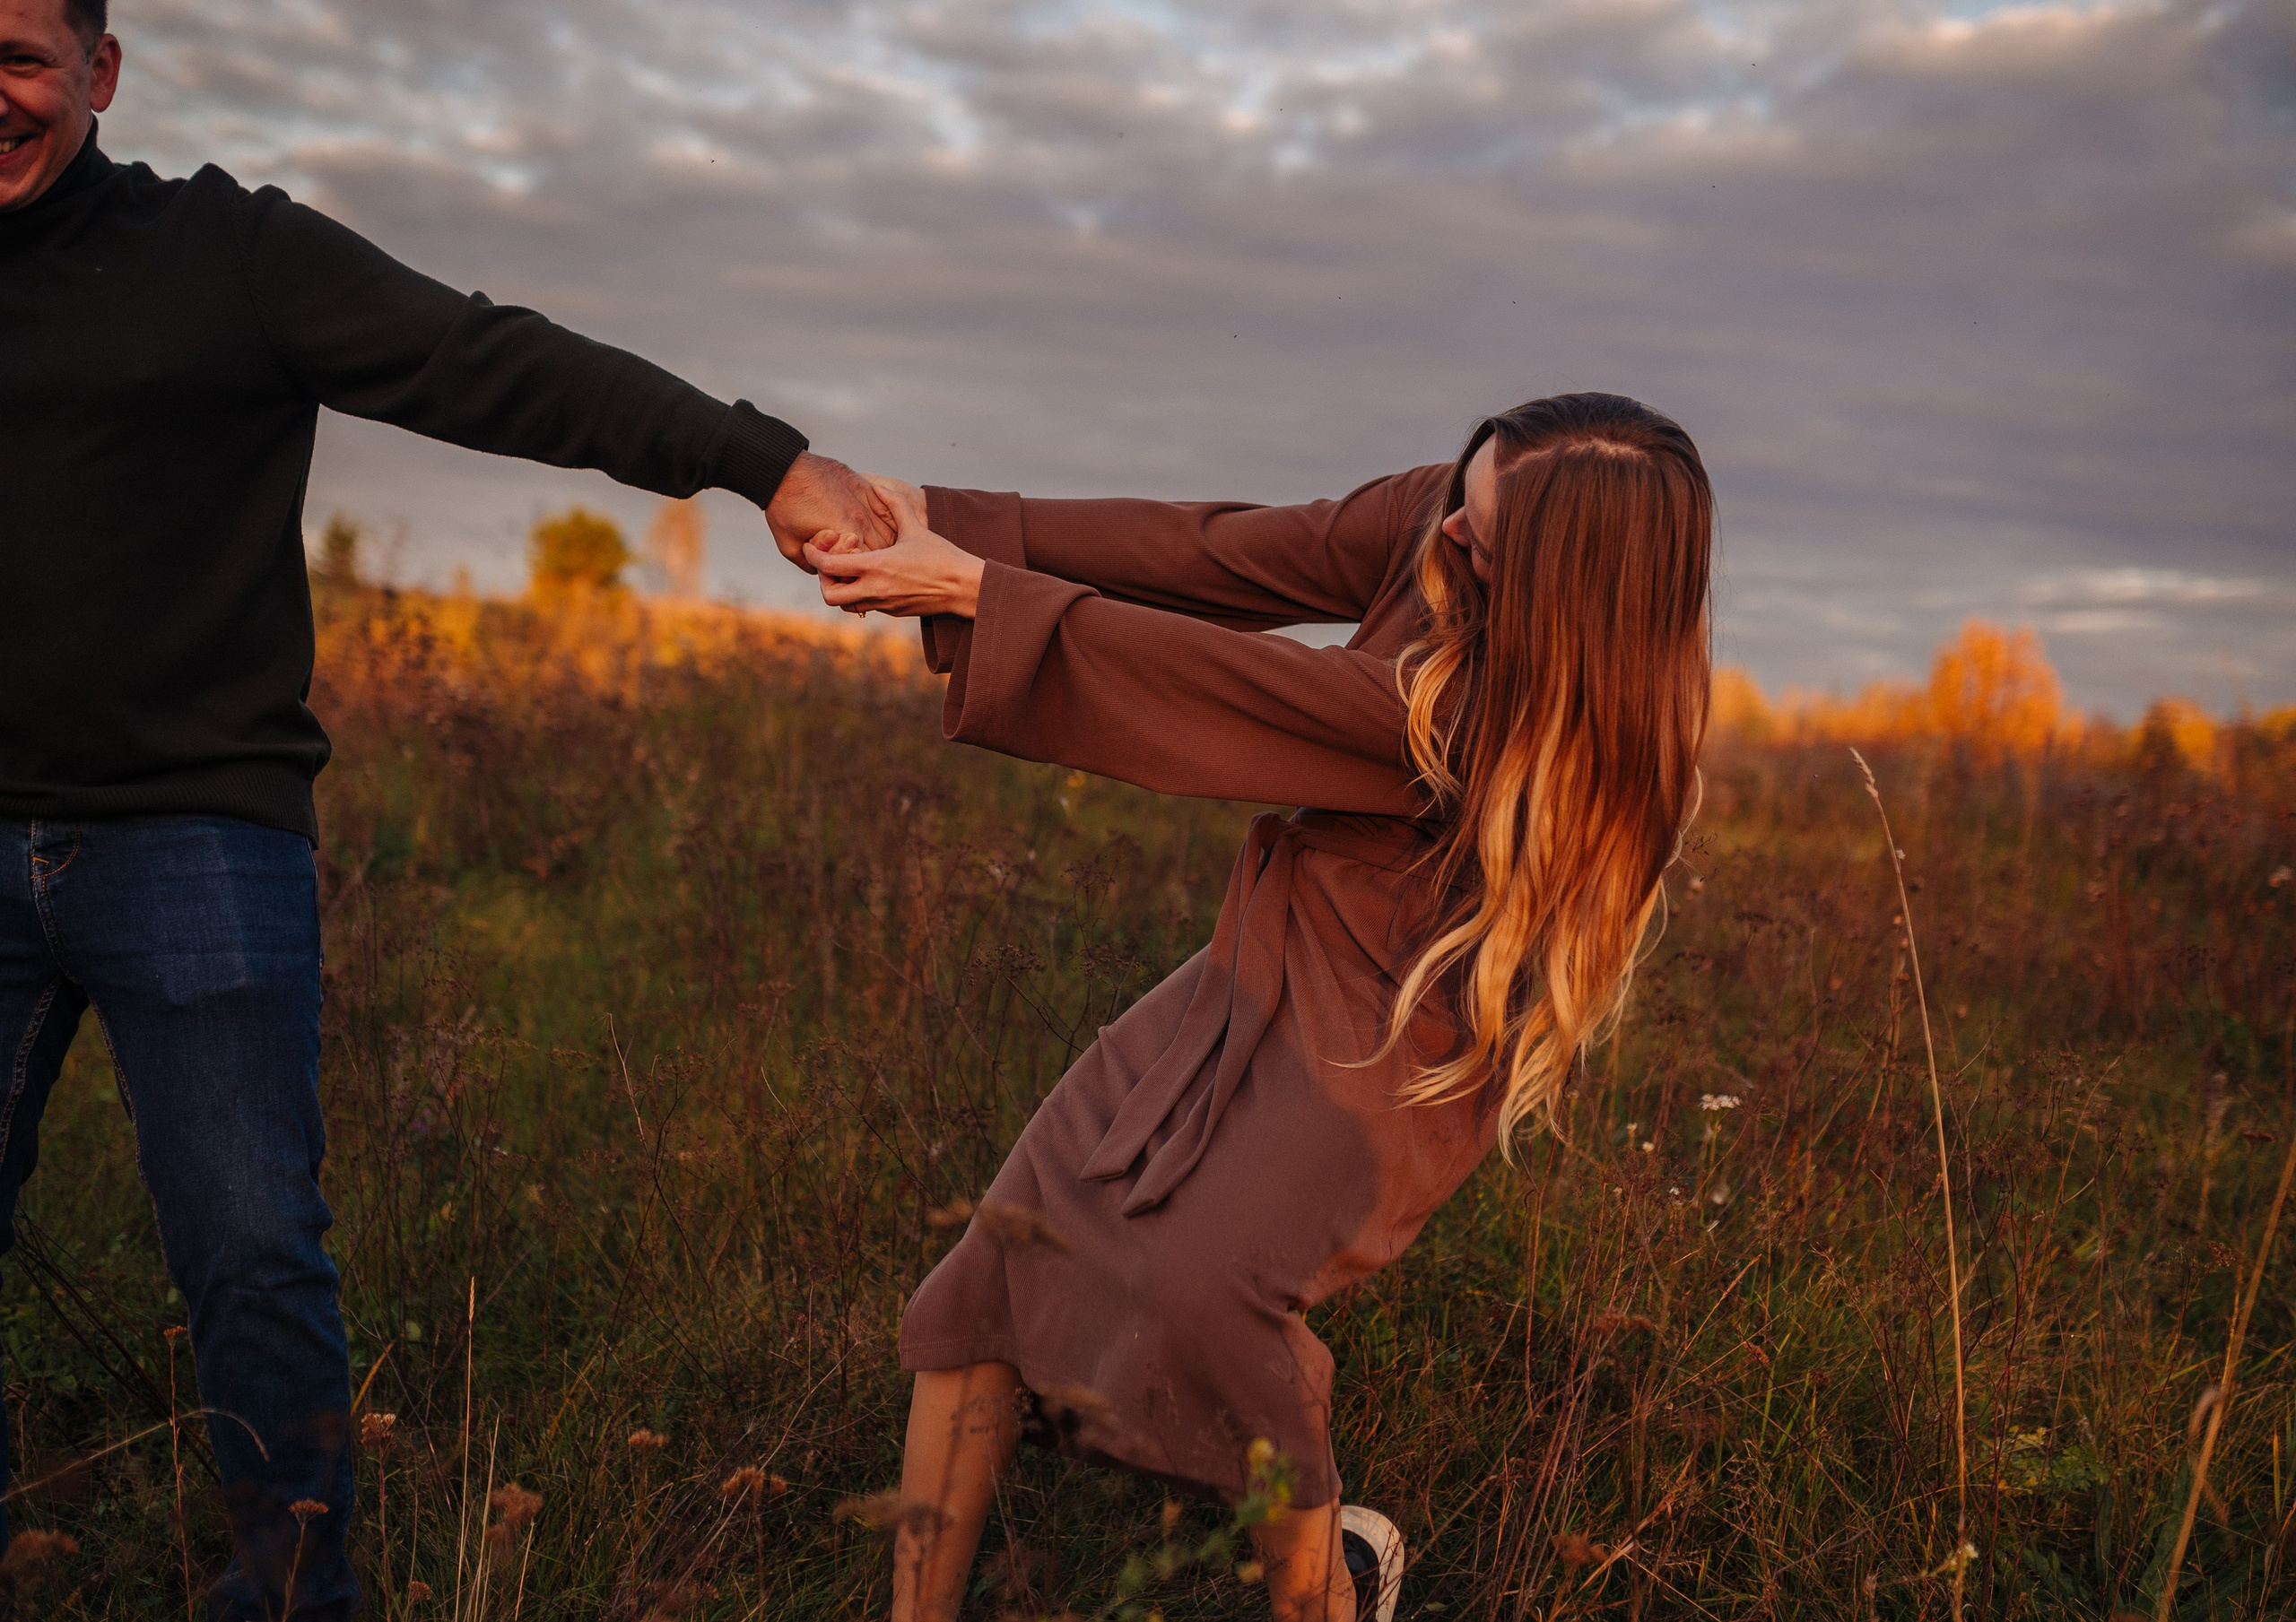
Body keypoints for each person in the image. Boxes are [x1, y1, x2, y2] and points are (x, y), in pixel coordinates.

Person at [0, 0, 883, 1612]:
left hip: (190, 835)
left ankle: (293, 1591)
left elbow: (492, 361)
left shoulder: (230, 258)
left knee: (254, 1251)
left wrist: (766, 462)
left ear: (101, 73)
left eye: (15, 57)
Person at [810, 394, 1714, 1622]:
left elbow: (1242, 690)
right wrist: (955, 522)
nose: (1448, 527)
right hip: (1265, 956)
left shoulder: (1504, 716)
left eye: (1486, 532)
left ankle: (1332, 1586)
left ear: (1573, 588)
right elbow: (1216, 551)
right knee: (998, 1264)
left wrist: (979, 591)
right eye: (1464, 494)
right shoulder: (1447, 514)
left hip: (1404, 1031)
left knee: (1209, 1296)